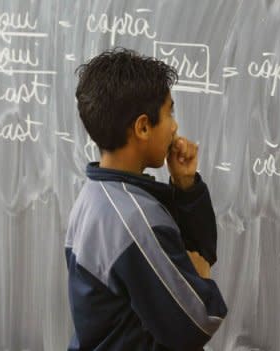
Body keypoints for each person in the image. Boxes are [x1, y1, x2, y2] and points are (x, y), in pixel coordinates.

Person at [64, 48, 227, 351]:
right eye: (169, 113)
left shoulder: (95, 195)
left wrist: (186, 187)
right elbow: (199, 320)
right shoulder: (136, 221)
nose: (175, 126)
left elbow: (198, 253)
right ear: (142, 127)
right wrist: (198, 272)